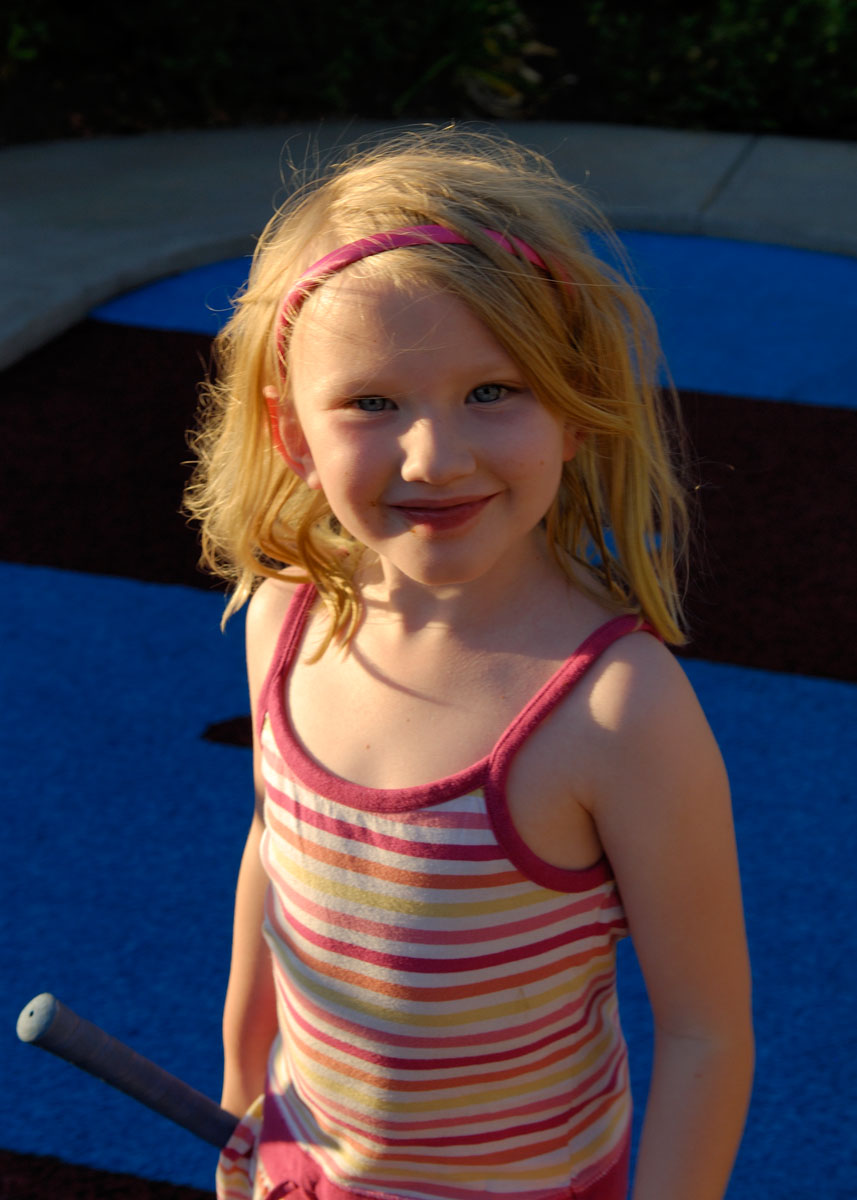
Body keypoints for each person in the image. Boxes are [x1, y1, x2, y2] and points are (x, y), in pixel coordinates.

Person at [184, 127, 753, 1200]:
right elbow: (274, 851)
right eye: (371, 403)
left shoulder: (615, 710)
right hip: (303, 1170)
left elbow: (704, 1034)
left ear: (574, 405)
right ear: (292, 433)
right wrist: (240, 1088)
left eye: (492, 391)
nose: (434, 457)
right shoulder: (284, 620)